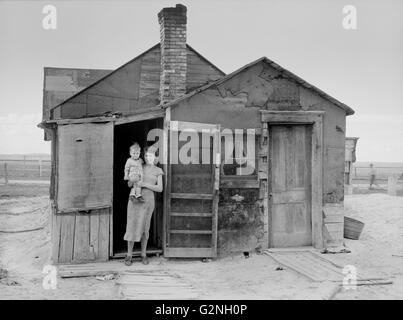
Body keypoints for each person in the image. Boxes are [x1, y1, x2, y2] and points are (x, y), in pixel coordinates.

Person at [123, 145, 164, 266]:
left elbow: (159, 188)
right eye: (146, 155)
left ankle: (143, 254)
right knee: (131, 226)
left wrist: (144, 184)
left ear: (155, 157)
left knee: (145, 228)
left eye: (150, 155)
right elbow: (129, 184)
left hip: (148, 202)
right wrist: (131, 181)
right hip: (134, 200)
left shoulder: (158, 171)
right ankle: (129, 255)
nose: (147, 157)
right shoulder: (138, 164)